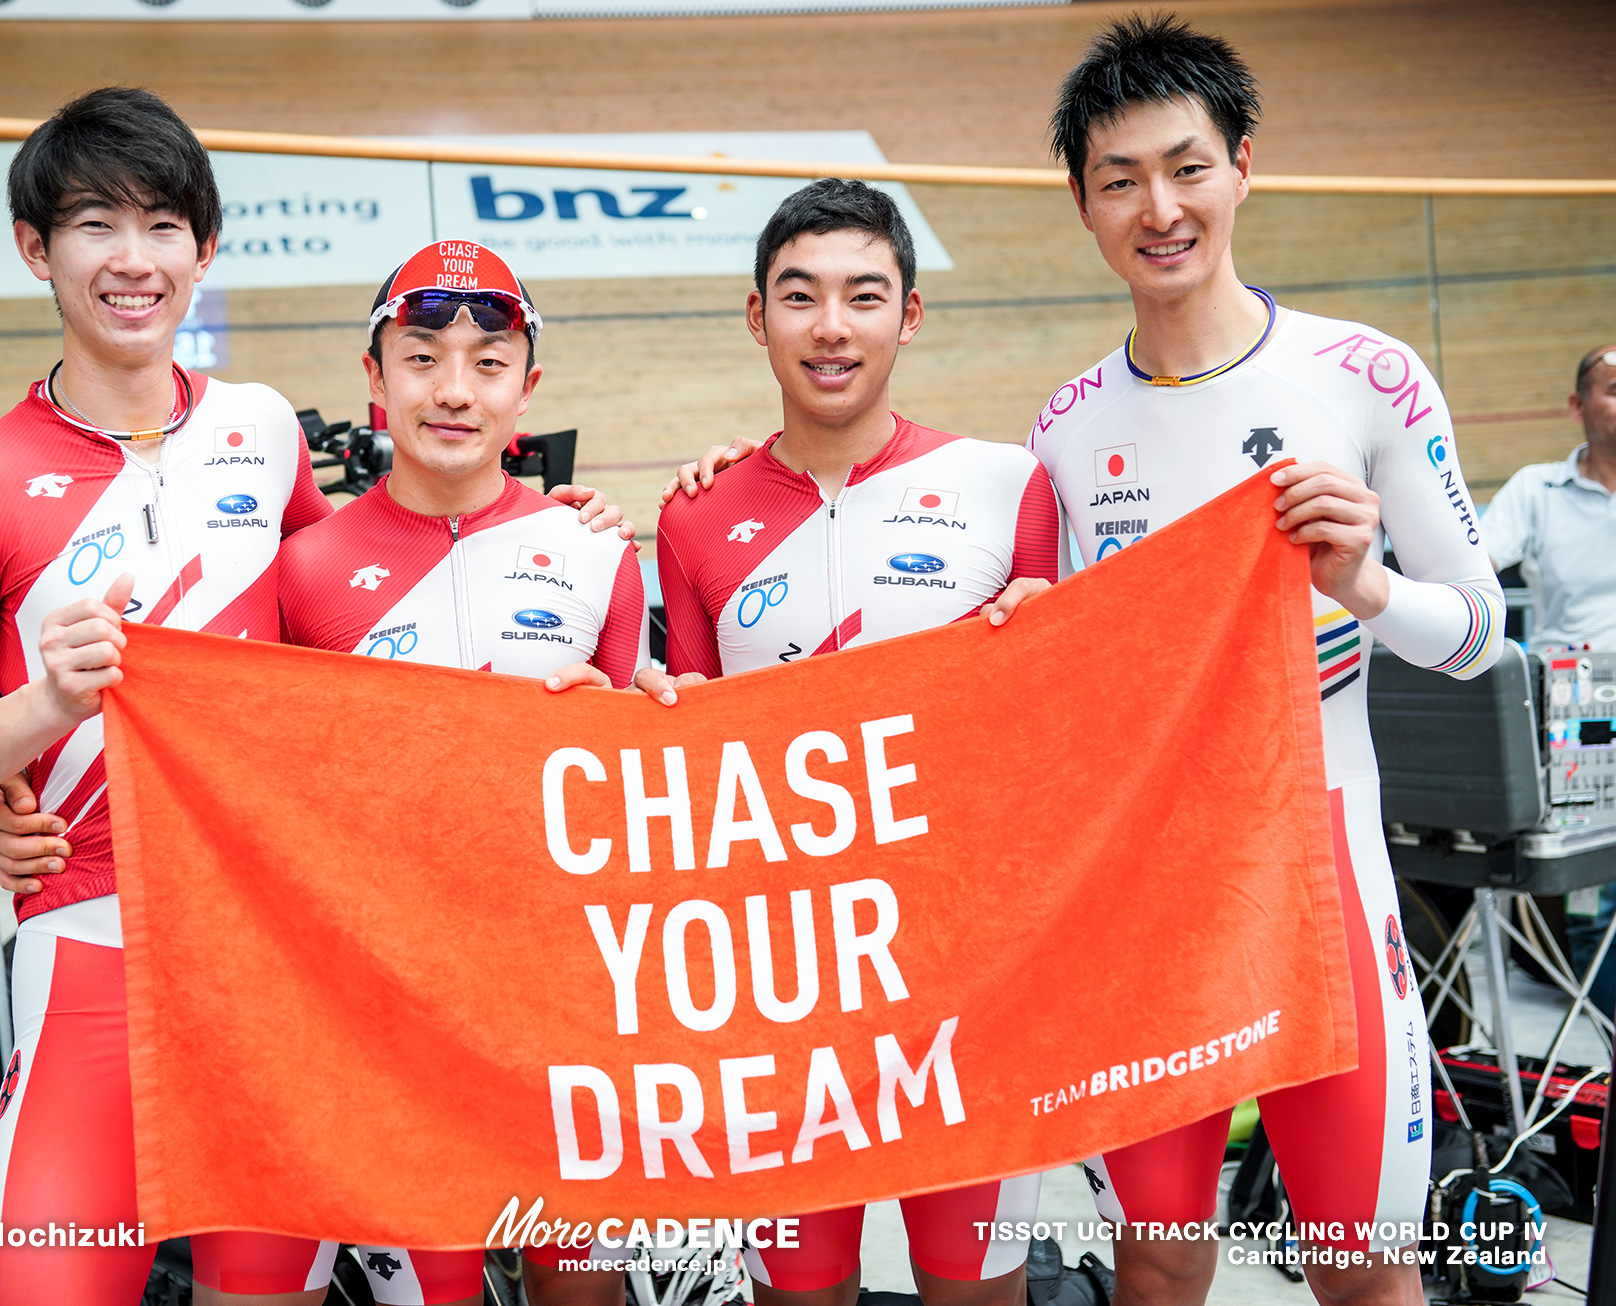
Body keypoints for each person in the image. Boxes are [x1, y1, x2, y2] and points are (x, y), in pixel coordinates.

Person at [665, 19, 1504, 1306]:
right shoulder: (1057, 436)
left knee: (1359, 1266)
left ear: (1239, 167)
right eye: (1120, 179)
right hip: (1133, 905)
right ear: (1082, 200)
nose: (1157, 208)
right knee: (1159, 1258)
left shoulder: (1364, 375)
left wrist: (1367, 585)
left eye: (1186, 167)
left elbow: (1479, 633)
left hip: (1321, 877)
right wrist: (741, 472)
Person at [0, 90, 623, 1306]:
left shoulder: (262, 431)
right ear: (34, 247)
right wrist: (34, 721)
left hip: (283, 951)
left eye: (163, 225)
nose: (133, 259)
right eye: (94, 226)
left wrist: (544, 522)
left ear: (204, 248)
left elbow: (354, 624)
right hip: (92, 939)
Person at [654, 178, 1060, 1306]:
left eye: (863, 296)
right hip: (783, 997)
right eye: (801, 297)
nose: (831, 326)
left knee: (975, 1292)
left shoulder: (1007, 484)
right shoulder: (691, 516)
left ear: (909, 315)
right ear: (757, 317)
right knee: (799, 1294)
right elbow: (688, 754)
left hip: (973, 983)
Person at [273, 238, 675, 1306]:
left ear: (527, 388)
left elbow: (646, 783)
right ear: (374, 375)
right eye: (420, 357)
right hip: (392, 1022)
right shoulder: (301, 568)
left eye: (488, 362)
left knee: (582, 1292)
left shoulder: (597, 548)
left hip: (570, 1012)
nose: (453, 390)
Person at [1483, 344, 1616, 1007]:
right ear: (1578, 406)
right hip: (1577, 700)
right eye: (1614, 389)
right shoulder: (1537, 490)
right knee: (1593, 869)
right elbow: (1470, 567)